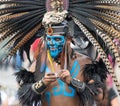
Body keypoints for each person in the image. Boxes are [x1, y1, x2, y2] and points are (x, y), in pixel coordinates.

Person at [0, 0, 120, 106]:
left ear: (67, 40)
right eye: (49, 40)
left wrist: (71, 81)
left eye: (57, 40)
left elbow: (98, 96)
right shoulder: (40, 65)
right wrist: (43, 83)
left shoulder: (84, 62)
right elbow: (23, 95)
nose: (52, 44)